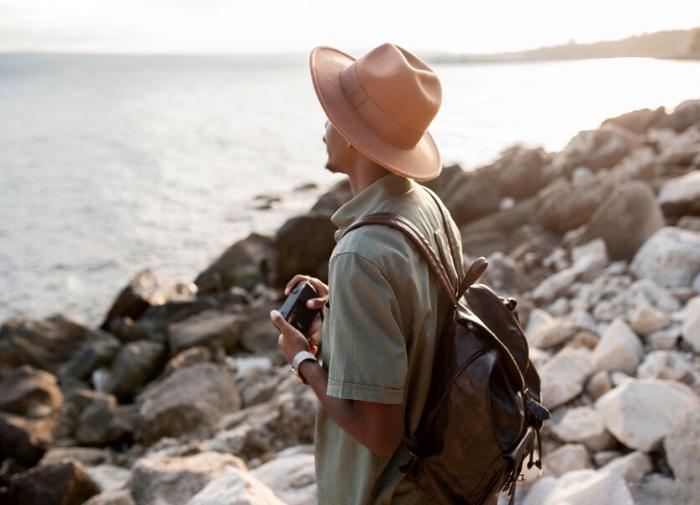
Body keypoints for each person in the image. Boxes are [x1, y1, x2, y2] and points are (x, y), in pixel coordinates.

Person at [270, 42, 464, 505]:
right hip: (441, 472)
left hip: (387, 491)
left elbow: (379, 434)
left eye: (332, 115)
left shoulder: (359, 256)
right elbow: (422, 323)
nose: (323, 127)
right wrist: (340, 311)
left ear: (356, 138)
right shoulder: (425, 205)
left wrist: (303, 361)